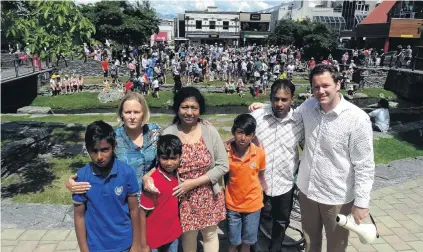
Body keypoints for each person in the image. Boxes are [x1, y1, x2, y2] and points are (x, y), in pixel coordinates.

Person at [296, 64, 375, 252]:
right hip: (307, 191)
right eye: (316, 87)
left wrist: (362, 203)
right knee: (309, 242)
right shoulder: (308, 107)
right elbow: (288, 118)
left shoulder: (357, 119)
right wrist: (266, 108)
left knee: (336, 245)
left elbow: (364, 165)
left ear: (338, 84)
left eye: (325, 85)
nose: (320, 91)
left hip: (336, 196)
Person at [143, 87, 228, 252]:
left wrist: (193, 183)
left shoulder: (209, 131)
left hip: (208, 193)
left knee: (210, 235)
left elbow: (223, 165)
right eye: (185, 107)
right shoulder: (169, 132)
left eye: (194, 108)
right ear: (177, 108)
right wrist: (147, 176)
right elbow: (161, 163)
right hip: (182, 196)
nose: (189, 112)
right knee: (189, 237)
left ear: (200, 110)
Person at [66, 92, 161, 195]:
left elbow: (164, 160)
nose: (132, 116)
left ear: (144, 113)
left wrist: (148, 175)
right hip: (125, 198)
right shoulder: (114, 137)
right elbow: (99, 160)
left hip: (153, 194)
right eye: (128, 112)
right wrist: (73, 180)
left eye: (137, 112)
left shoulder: (154, 132)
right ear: (121, 114)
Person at [249, 79, 304, 252]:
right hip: (257, 180)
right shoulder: (257, 116)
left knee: (281, 221)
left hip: (284, 180)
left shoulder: (299, 122)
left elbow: (307, 148)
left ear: (292, 99)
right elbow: (240, 139)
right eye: (275, 98)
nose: (279, 104)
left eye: (284, 99)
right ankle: (253, 248)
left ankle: (275, 248)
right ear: (270, 97)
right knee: (253, 218)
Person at [73, 121, 141, 252]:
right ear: (87, 149)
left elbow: (134, 209)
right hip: (95, 246)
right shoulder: (82, 177)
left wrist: (136, 243)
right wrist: (83, 249)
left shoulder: (127, 172)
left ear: (114, 147)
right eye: (94, 151)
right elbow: (79, 216)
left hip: (124, 244)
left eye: (105, 150)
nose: (99, 157)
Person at [226, 114, 266, 252]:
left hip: (253, 205)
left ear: (253, 135)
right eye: (240, 133)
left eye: (248, 134)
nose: (243, 138)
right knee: (233, 242)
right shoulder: (226, 152)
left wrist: (265, 190)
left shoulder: (259, 153)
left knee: (247, 243)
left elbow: (260, 174)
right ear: (234, 132)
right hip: (232, 204)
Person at [139, 135, 183, 252]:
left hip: (173, 233)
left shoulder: (178, 174)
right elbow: (142, 214)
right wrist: (142, 243)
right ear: (158, 157)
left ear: (180, 157)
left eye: (174, 158)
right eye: (165, 158)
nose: (169, 163)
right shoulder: (152, 182)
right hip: (153, 237)